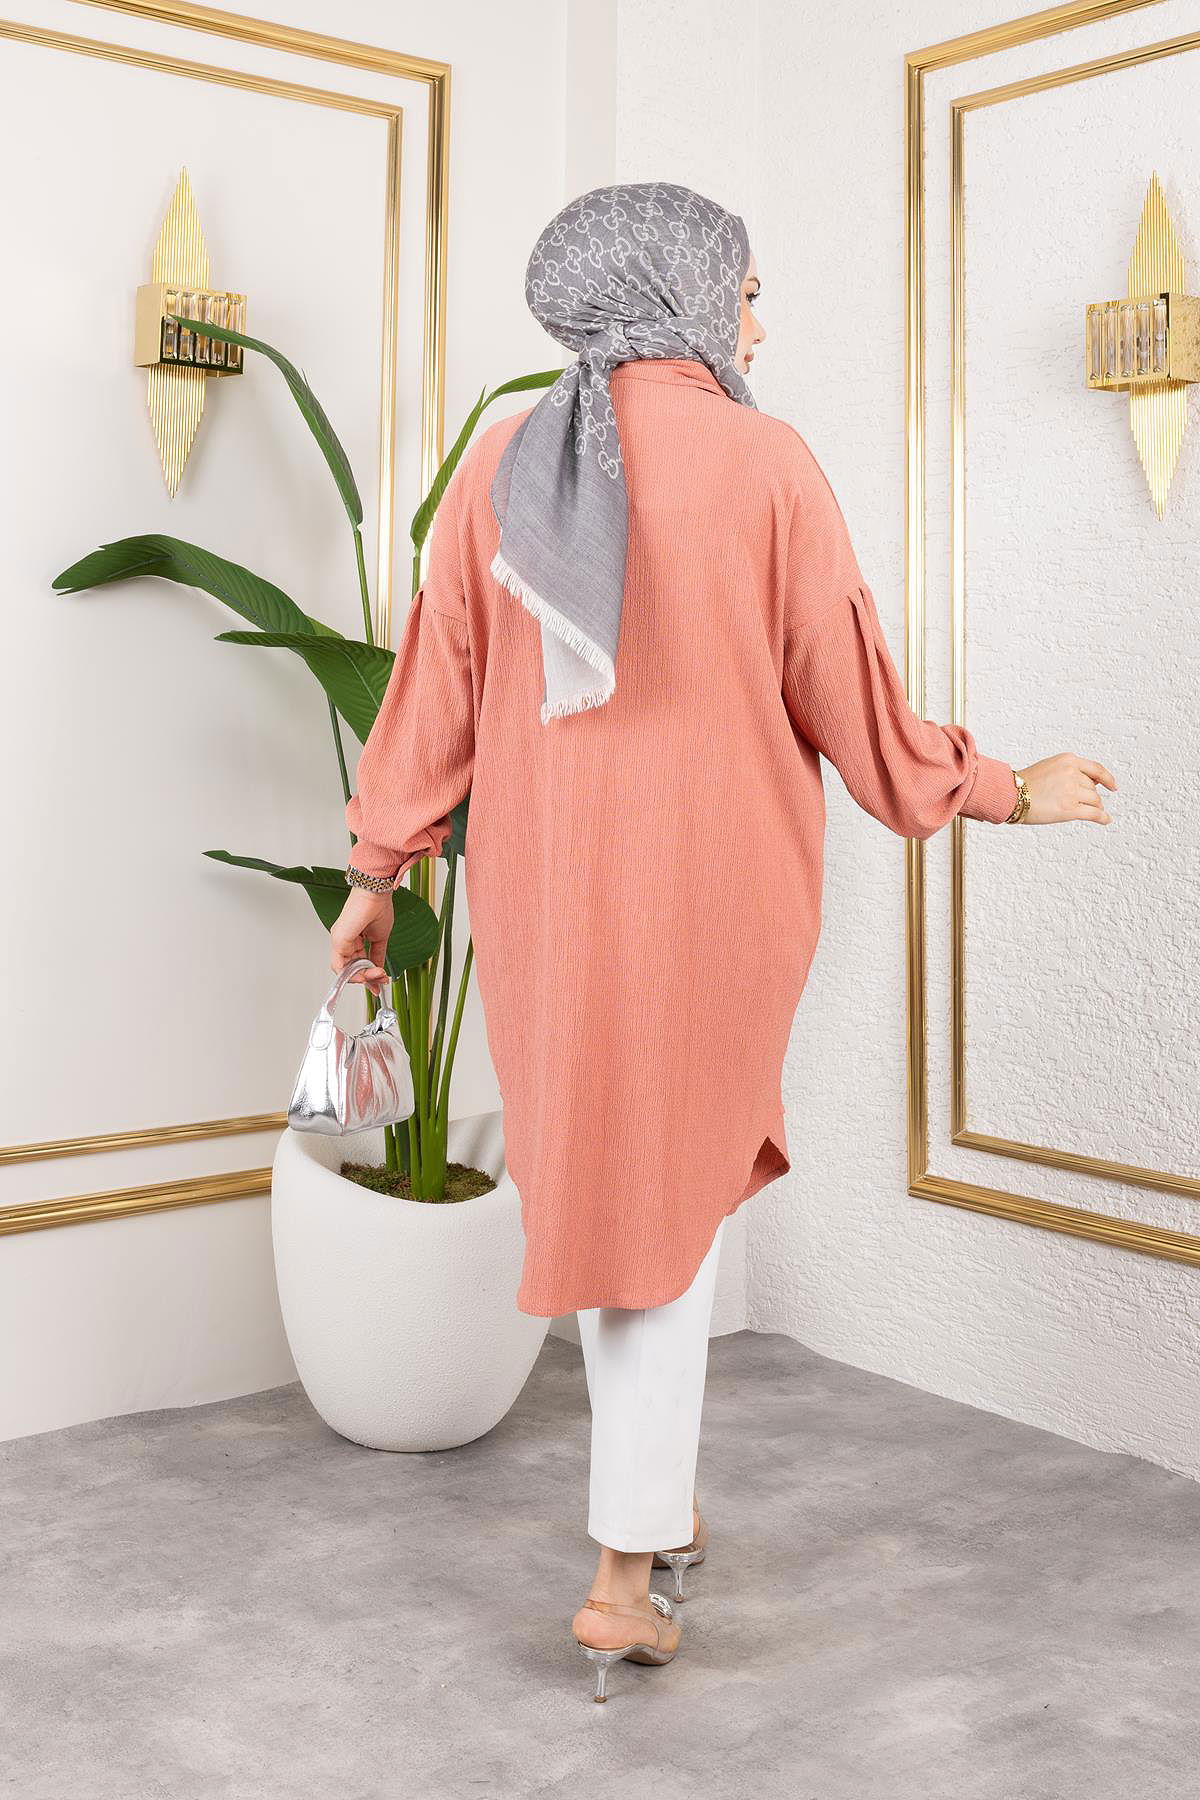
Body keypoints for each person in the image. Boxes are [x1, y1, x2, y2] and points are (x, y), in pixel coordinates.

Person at [328, 182, 1117, 1703]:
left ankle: (660, 1508)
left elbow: (433, 690)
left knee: (628, 1187)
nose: (760, 318)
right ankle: (622, 1576)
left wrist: (378, 867)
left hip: (550, 904)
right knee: (660, 1200)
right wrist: (1004, 788)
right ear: (680, 291)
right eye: (745, 288)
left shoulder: (504, 463)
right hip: (714, 897)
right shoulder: (763, 464)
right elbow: (852, 698)